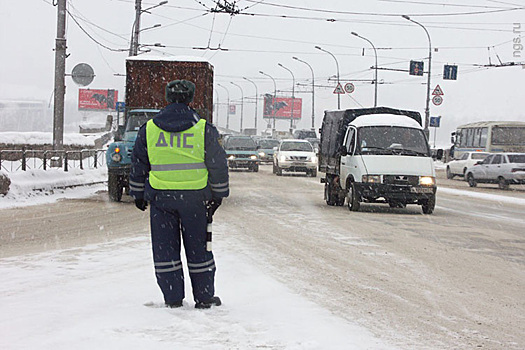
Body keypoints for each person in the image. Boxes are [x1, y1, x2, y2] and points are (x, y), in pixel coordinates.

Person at [130, 80, 229, 309]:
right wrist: (218, 194)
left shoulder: (150, 129)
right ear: (191, 99)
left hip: (161, 201)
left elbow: (138, 163)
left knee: (165, 251)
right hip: (195, 201)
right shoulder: (203, 129)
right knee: (200, 250)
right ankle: (204, 297)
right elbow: (217, 164)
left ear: (166, 97)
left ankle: (173, 298)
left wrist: (138, 193)